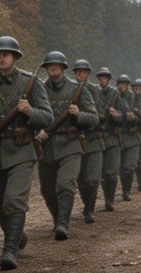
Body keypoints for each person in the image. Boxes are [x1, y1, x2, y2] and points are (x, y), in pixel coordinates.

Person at [0, 36, 52, 270]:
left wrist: (30, 112)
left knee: (14, 201)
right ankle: (18, 236)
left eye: (6, 54)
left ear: (15, 57)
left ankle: (9, 250)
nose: (1, 58)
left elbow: (47, 117)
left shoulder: (31, 83)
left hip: (22, 150)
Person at [35, 51, 98, 239]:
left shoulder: (77, 90)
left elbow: (93, 118)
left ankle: (63, 223)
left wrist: (79, 114)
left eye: (56, 64)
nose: (53, 67)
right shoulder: (39, 89)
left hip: (70, 144)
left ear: (63, 67)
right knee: (47, 190)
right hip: (46, 146)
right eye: (49, 65)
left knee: (65, 184)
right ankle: (57, 219)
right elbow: (30, 115)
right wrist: (37, 131)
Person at [73, 59, 105, 223]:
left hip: (93, 139)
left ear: (88, 73)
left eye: (83, 71)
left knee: (92, 179)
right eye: (78, 71)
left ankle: (90, 210)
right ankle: (87, 205)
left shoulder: (95, 91)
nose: (80, 74)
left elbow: (99, 113)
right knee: (81, 179)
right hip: (76, 139)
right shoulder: (71, 88)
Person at [95, 67, 123, 212]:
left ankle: (110, 200)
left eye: (105, 78)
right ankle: (106, 197)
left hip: (112, 137)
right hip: (98, 138)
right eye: (100, 78)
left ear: (109, 79)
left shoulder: (116, 95)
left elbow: (123, 117)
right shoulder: (94, 93)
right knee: (101, 174)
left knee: (111, 173)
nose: (102, 80)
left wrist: (115, 115)